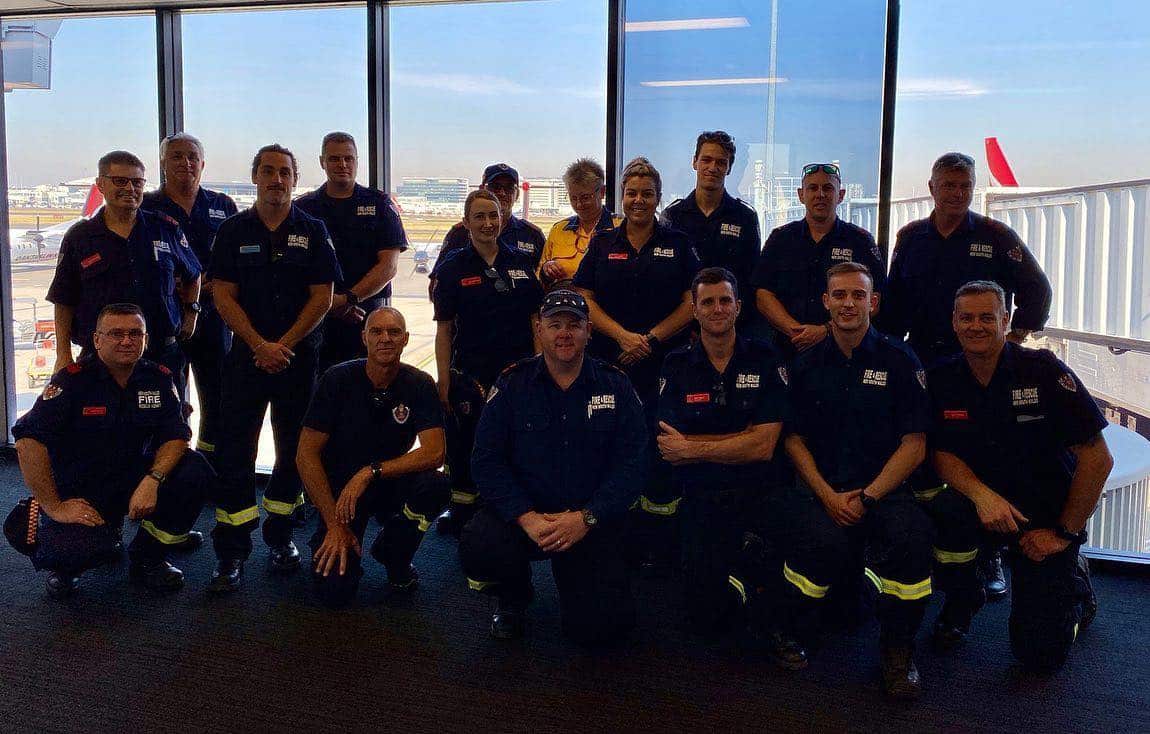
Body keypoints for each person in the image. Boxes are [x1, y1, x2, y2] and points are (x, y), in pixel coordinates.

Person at [880, 151, 1053, 599]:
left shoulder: (996, 237)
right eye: (948, 185)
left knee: (980, 451)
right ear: (932, 187)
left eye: (965, 186)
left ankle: (988, 552)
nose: (957, 193)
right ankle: (927, 539)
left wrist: (1012, 340)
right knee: (924, 448)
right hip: (923, 363)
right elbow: (895, 303)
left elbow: (1037, 291)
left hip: (978, 364)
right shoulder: (911, 238)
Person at [925, 280, 1112, 672]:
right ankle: (964, 598)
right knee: (939, 512)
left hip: (1044, 517)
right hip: (984, 507)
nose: (976, 326)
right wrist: (981, 495)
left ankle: (1074, 588)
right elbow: (941, 452)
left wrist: (1063, 534)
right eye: (967, 318)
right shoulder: (943, 377)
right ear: (954, 323)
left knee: (1038, 656)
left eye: (986, 317)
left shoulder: (1042, 372)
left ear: (1005, 321)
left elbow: (1097, 459)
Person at [775, 262, 933, 700]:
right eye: (839, 295)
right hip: (822, 490)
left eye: (857, 295)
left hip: (883, 491)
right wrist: (827, 496)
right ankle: (794, 628)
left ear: (873, 302)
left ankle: (898, 649)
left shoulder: (901, 361)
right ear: (826, 302)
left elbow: (915, 444)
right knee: (813, 545)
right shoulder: (804, 365)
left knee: (911, 540)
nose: (848, 303)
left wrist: (868, 496)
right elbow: (793, 440)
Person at [460, 289, 647, 644]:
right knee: (481, 545)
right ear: (538, 329)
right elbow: (486, 461)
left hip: (588, 519)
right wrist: (526, 517)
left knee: (601, 633)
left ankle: (578, 583)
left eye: (574, 325)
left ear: (589, 331)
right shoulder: (512, 384)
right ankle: (513, 596)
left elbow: (634, 464)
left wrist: (587, 517)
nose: (564, 333)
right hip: (527, 518)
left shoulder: (615, 384)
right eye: (555, 324)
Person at [207, 144, 342, 592]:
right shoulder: (231, 231)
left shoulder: (313, 230)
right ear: (255, 176)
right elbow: (222, 294)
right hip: (246, 361)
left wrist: (281, 345)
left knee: (294, 453)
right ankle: (231, 551)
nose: (276, 179)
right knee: (235, 454)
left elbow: (322, 297)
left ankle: (281, 536)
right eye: (268, 171)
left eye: (284, 172)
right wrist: (258, 344)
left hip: (298, 362)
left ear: (294, 179)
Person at [8, 304, 211, 598]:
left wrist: (153, 479)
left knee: (195, 470)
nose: (126, 341)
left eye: (134, 333)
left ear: (145, 338)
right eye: (116, 333)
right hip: (81, 488)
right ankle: (65, 561)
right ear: (97, 340)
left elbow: (176, 436)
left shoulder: (158, 377)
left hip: (134, 479)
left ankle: (148, 556)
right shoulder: (73, 381)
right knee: (74, 550)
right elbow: (27, 440)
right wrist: (54, 505)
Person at [573, 156, 700, 558]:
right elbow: (584, 296)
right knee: (612, 444)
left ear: (659, 198)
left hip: (665, 364)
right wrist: (624, 337)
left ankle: (657, 542)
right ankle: (613, 533)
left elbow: (691, 301)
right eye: (632, 193)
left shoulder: (677, 243)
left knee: (659, 447)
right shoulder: (604, 242)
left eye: (647, 193)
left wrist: (649, 339)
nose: (639, 200)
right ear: (621, 197)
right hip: (612, 363)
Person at [656, 267, 786, 638]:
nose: (717, 309)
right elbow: (670, 446)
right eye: (707, 302)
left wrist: (696, 446)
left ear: (738, 307)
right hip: (702, 493)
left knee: (773, 577)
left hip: (759, 489)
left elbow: (763, 447)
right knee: (704, 619)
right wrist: (739, 436)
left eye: (725, 300)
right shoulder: (676, 364)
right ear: (694, 310)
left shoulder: (765, 356)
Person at [296, 307, 449, 607]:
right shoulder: (336, 380)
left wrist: (370, 472)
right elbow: (305, 454)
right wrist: (334, 524)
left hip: (386, 480)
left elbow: (435, 452)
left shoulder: (419, 384)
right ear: (363, 337)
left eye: (394, 332)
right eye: (377, 331)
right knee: (334, 593)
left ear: (405, 339)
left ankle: (394, 552)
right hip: (341, 495)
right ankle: (337, 537)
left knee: (436, 485)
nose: (385, 339)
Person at [432, 189, 544, 535]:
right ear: (466, 223)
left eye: (493, 216)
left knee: (512, 439)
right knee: (467, 441)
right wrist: (443, 378)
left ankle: (507, 504)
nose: (487, 223)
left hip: (516, 372)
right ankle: (461, 505)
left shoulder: (521, 263)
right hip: (470, 372)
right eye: (479, 217)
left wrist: (541, 366)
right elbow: (445, 329)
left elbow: (535, 319)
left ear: (502, 218)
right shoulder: (453, 268)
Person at [48, 150, 202, 400]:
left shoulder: (165, 229)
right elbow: (64, 298)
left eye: (137, 182)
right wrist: (63, 353)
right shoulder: (80, 237)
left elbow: (193, 273)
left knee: (170, 432)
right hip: (99, 360)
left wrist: (191, 314)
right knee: (99, 432)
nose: (130, 188)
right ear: (100, 184)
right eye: (120, 181)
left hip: (160, 357)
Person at [143, 133, 239, 467]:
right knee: (168, 398)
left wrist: (203, 288)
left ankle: (209, 466)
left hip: (215, 318)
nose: (186, 163)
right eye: (177, 156)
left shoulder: (222, 206)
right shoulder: (147, 207)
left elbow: (236, 260)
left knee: (218, 398)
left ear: (202, 163)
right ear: (163, 163)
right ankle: (169, 466)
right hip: (165, 320)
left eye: (192, 157)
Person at [296, 132, 407, 370]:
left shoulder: (379, 204)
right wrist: (328, 304)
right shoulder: (303, 208)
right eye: (334, 159)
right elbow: (293, 269)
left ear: (357, 161)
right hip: (314, 322)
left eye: (349, 158)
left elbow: (388, 267)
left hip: (368, 320)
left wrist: (347, 300)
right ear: (322, 162)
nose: (342, 165)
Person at [751, 162, 884, 360]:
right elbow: (763, 294)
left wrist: (825, 331)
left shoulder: (861, 241)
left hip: (842, 353)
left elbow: (876, 298)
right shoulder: (781, 239)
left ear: (841, 195)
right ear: (801, 194)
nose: (820, 194)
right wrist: (796, 332)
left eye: (828, 188)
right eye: (812, 188)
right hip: (787, 351)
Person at [661, 131, 762, 334]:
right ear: (694, 162)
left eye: (721, 162)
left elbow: (751, 281)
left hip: (732, 329)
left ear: (729, 168)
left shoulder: (745, 217)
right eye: (706, 160)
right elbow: (666, 278)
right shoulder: (672, 216)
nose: (712, 168)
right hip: (682, 331)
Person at [428, 162, 546, 296]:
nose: (502, 193)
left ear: (517, 194)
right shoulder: (459, 233)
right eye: (495, 187)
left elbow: (544, 285)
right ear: (481, 190)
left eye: (509, 188)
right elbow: (435, 288)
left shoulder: (532, 235)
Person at [538, 157, 621, 289]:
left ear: (602, 192)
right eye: (573, 198)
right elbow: (540, 278)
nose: (579, 204)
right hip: (563, 304)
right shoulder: (559, 229)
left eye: (585, 197)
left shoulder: (621, 228)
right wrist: (546, 270)